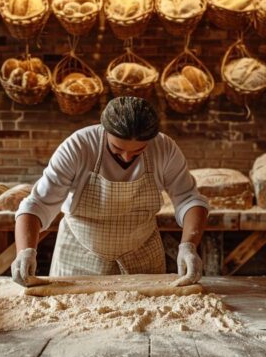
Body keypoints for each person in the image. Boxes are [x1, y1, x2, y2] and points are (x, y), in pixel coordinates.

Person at [11, 96, 209, 287]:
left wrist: (188, 246)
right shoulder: (79, 146)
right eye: (117, 148)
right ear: (104, 130)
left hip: (142, 254)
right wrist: (25, 251)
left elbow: (189, 199)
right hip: (80, 255)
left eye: (137, 151)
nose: (126, 157)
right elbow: (38, 204)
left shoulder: (164, 148)